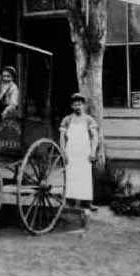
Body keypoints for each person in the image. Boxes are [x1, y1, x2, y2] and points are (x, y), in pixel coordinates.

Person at [60, 93, 99, 223]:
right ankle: (70, 201)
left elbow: (94, 137)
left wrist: (93, 151)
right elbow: (62, 137)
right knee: (71, 175)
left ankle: (87, 202)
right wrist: (63, 152)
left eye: (80, 104)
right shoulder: (67, 119)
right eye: (75, 104)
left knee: (85, 176)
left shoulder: (89, 120)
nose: (78, 106)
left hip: (84, 151)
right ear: (72, 106)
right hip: (71, 151)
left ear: (84, 105)